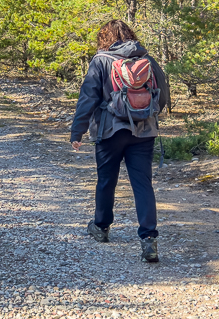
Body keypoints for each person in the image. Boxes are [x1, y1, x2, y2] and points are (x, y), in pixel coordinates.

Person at [70, 19, 170, 263]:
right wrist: (146, 114)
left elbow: (87, 98)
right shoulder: (146, 58)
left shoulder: (100, 61)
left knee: (106, 181)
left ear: (104, 38)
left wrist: (77, 131)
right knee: (142, 184)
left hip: (110, 132)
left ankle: (101, 227)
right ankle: (149, 239)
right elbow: (163, 93)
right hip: (143, 132)